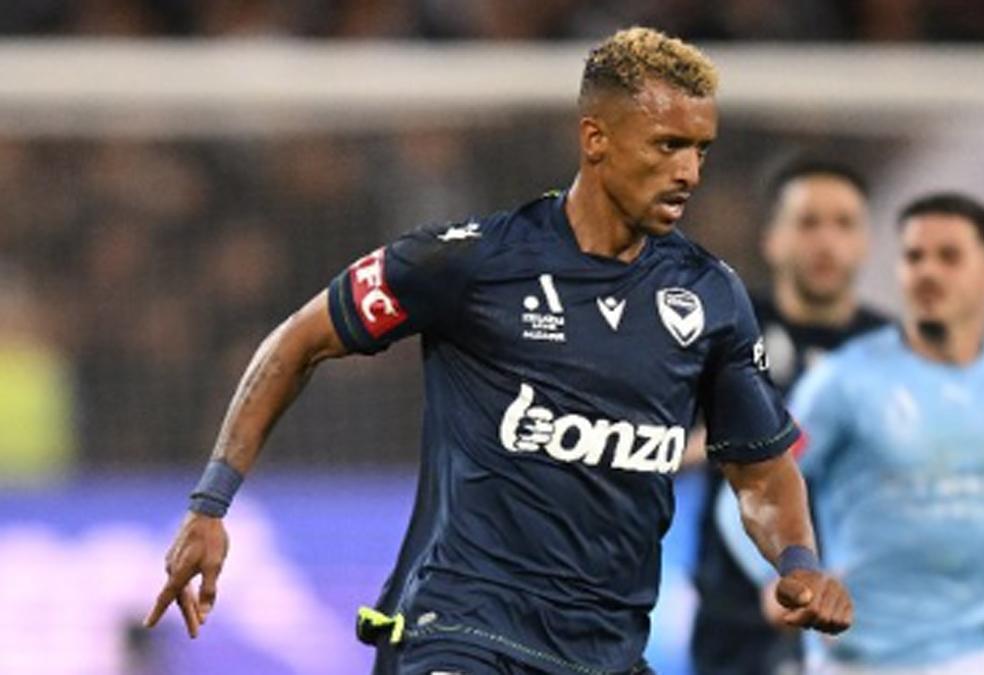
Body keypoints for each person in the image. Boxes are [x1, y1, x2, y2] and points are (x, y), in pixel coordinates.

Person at [143, 27, 852, 675]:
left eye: (701, 149)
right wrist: (211, 503)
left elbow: (759, 470)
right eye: (668, 145)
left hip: (604, 652)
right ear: (595, 139)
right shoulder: (471, 261)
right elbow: (295, 343)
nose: (690, 172)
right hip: (457, 631)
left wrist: (796, 558)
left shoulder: (710, 298)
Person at [718, 192, 984, 674]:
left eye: (948, 257)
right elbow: (755, 488)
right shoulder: (844, 381)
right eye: (914, 256)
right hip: (857, 652)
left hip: (983, 650)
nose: (927, 271)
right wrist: (781, 576)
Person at [690, 159, 887, 675]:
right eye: (808, 222)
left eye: (844, 224)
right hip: (739, 614)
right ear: (772, 239)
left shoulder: (895, 356)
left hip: (859, 616)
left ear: (865, 242)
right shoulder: (720, 331)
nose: (826, 242)